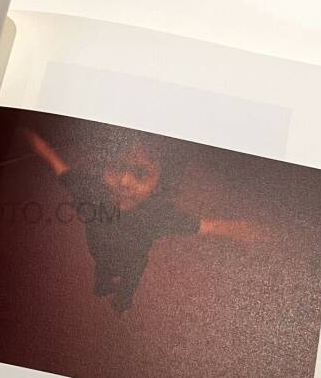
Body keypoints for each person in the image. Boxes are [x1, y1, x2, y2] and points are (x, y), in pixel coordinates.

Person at [24, 128, 266, 312]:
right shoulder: (90, 191)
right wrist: (32, 137)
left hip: (133, 261)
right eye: (116, 168)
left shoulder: (158, 214)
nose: (124, 182)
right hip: (99, 252)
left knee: (129, 282)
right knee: (102, 269)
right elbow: (57, 164)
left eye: (140, 173)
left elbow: (204, 226)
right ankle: (103, 285)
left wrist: (241, 230)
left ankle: (123, 301)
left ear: (161, 182)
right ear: (102, 166)